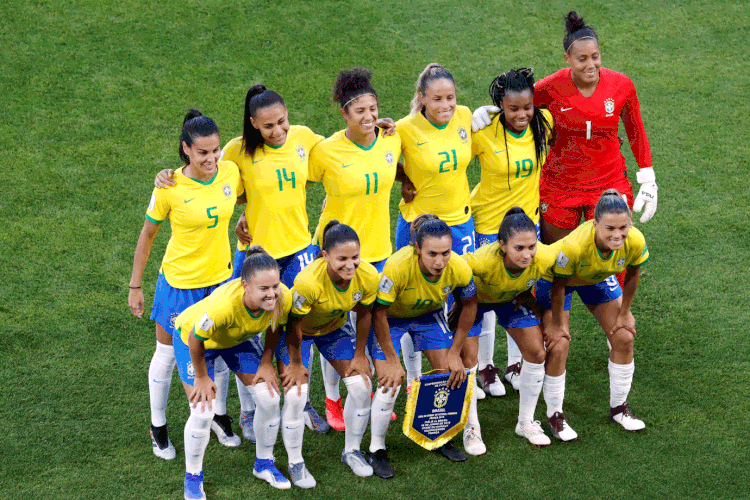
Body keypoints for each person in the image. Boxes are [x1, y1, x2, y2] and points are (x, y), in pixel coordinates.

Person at [153, 85, 334, 438]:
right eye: (268, 126)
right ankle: (248, 411)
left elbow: (342, 154)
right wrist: (167, 175)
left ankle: (303, 400)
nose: (278, 130)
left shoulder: (305, 138)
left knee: (296, 324)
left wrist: (382, 128)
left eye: (282, 121)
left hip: (297, 251)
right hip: (252, 255)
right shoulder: (235, 151)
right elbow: (207, 180)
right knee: (238, 328)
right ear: (253, 124)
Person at [472, 11, 659, 245]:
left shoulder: (622, 85)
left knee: (611, 250)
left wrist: (648, 178)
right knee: (556, 257)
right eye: (582, 59)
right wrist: (491, 109)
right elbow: (519, 103)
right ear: (567, 58)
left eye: (595, 57)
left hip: (608, 180)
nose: (591, 65)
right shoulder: (550, 87)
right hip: (560, 184)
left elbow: (636, 132)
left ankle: (611, 285)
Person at [128, 109, 244, 460]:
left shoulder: (230, 171)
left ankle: (219, 415)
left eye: (215, 150)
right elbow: (148, 235)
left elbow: (239, 200)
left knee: (217, 355)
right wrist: (135, 286)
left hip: (220, 283)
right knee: (166, 355)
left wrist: (243, 225)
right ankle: (158, 426)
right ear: (186, 149)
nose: (211, 159)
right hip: (179, 285)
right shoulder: (169, 187)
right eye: (202, 152)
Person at [173, 247, 314, 498]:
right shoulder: (223, 306)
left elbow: (277, 325)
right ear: (246, 285)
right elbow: (196, 337)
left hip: (236, 341)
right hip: (194, 342)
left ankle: (264, 464)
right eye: (264, 289)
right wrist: (203, 377)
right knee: (203, 411)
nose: (272, 294)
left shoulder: (283, 297)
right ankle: (193, 478)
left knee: (269, 398)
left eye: (275, 285)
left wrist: (266, 362)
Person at [307, 67, 401, 430]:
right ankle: (333, 400)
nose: (369, 117)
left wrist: (407, 185)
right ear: (344, 113)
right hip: (334, 253)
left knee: (374, 323)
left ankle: (371, 392)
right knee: (334, 328)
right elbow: (293, 179)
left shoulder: (391, 139)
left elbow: (401, 165)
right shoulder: (326, 151)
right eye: (360, 111)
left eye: (373, 109)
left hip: (377, 250)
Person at [369, 215, 479, 476]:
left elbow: (471, 303)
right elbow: (378, 313)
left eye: (445, 253)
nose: (439, 261)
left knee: (449, 373)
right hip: (391, 320)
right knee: (389, 381)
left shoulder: (459, 268)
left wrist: (454, 352)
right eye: (432, 254)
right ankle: (376, 449)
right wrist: (391, 359)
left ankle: (439, 435)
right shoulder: (397, 267)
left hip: (427, 317)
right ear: (417, 248)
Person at [392, 63, 476, 398]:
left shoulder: (466, 116)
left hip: (459, 223)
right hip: (418, 227)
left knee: (466, 294)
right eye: (437, 98)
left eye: (451, 97)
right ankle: (415, 377)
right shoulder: (403, 128)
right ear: (422, 98)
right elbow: (379, 160)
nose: (446, 105)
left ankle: (465, 363)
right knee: (411, 300)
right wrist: (404, 178)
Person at [536, 189, 650, 434]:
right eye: (610, 228)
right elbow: (558, 283)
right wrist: (556, 323)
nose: (618, 235)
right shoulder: (575, 247)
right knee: (559, 343)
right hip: (558, 282)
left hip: (596, 279)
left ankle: (619, 408)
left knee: (624, 336)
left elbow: (633, 273)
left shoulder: (635, 240)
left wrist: (625, 312)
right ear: (595, 224)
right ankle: (555, 415)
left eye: (623, 227)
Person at [469, 68, 553, 398]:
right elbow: (446, 141)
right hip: (488, 226)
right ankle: (486, 366)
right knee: (488, 296)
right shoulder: (484, 130)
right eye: (513, 108)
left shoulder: (543, 124)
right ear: (500, 105)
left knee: (520, 292)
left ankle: (515, 363)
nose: (521, 114)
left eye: (527, 107)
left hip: (526, 226)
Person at [275, 221, 380, 477]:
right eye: (342, 258)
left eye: (355, 257)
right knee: (296, 395)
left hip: (334, 329)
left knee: (362, 388)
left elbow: (365, 314)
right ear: (325, 256)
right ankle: (295, 463)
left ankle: (352, 451)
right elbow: (293, 323)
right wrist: (297, 363)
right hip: (299, 334)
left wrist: (360, 355)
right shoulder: (308, 282)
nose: (350, 264)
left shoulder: (367, 276)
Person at [465, 207, 572, 445]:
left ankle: (525, 422)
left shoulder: (544, 256)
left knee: (536, 353)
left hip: (511, 301)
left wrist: (555, 320)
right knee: (468, 360)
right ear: (502, 245)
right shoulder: (479, 262)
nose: (527, 255)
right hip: (476, 303)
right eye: (519, 248)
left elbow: (561, 278)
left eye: (531, 247)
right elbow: (455, 279)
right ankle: (471, 428)